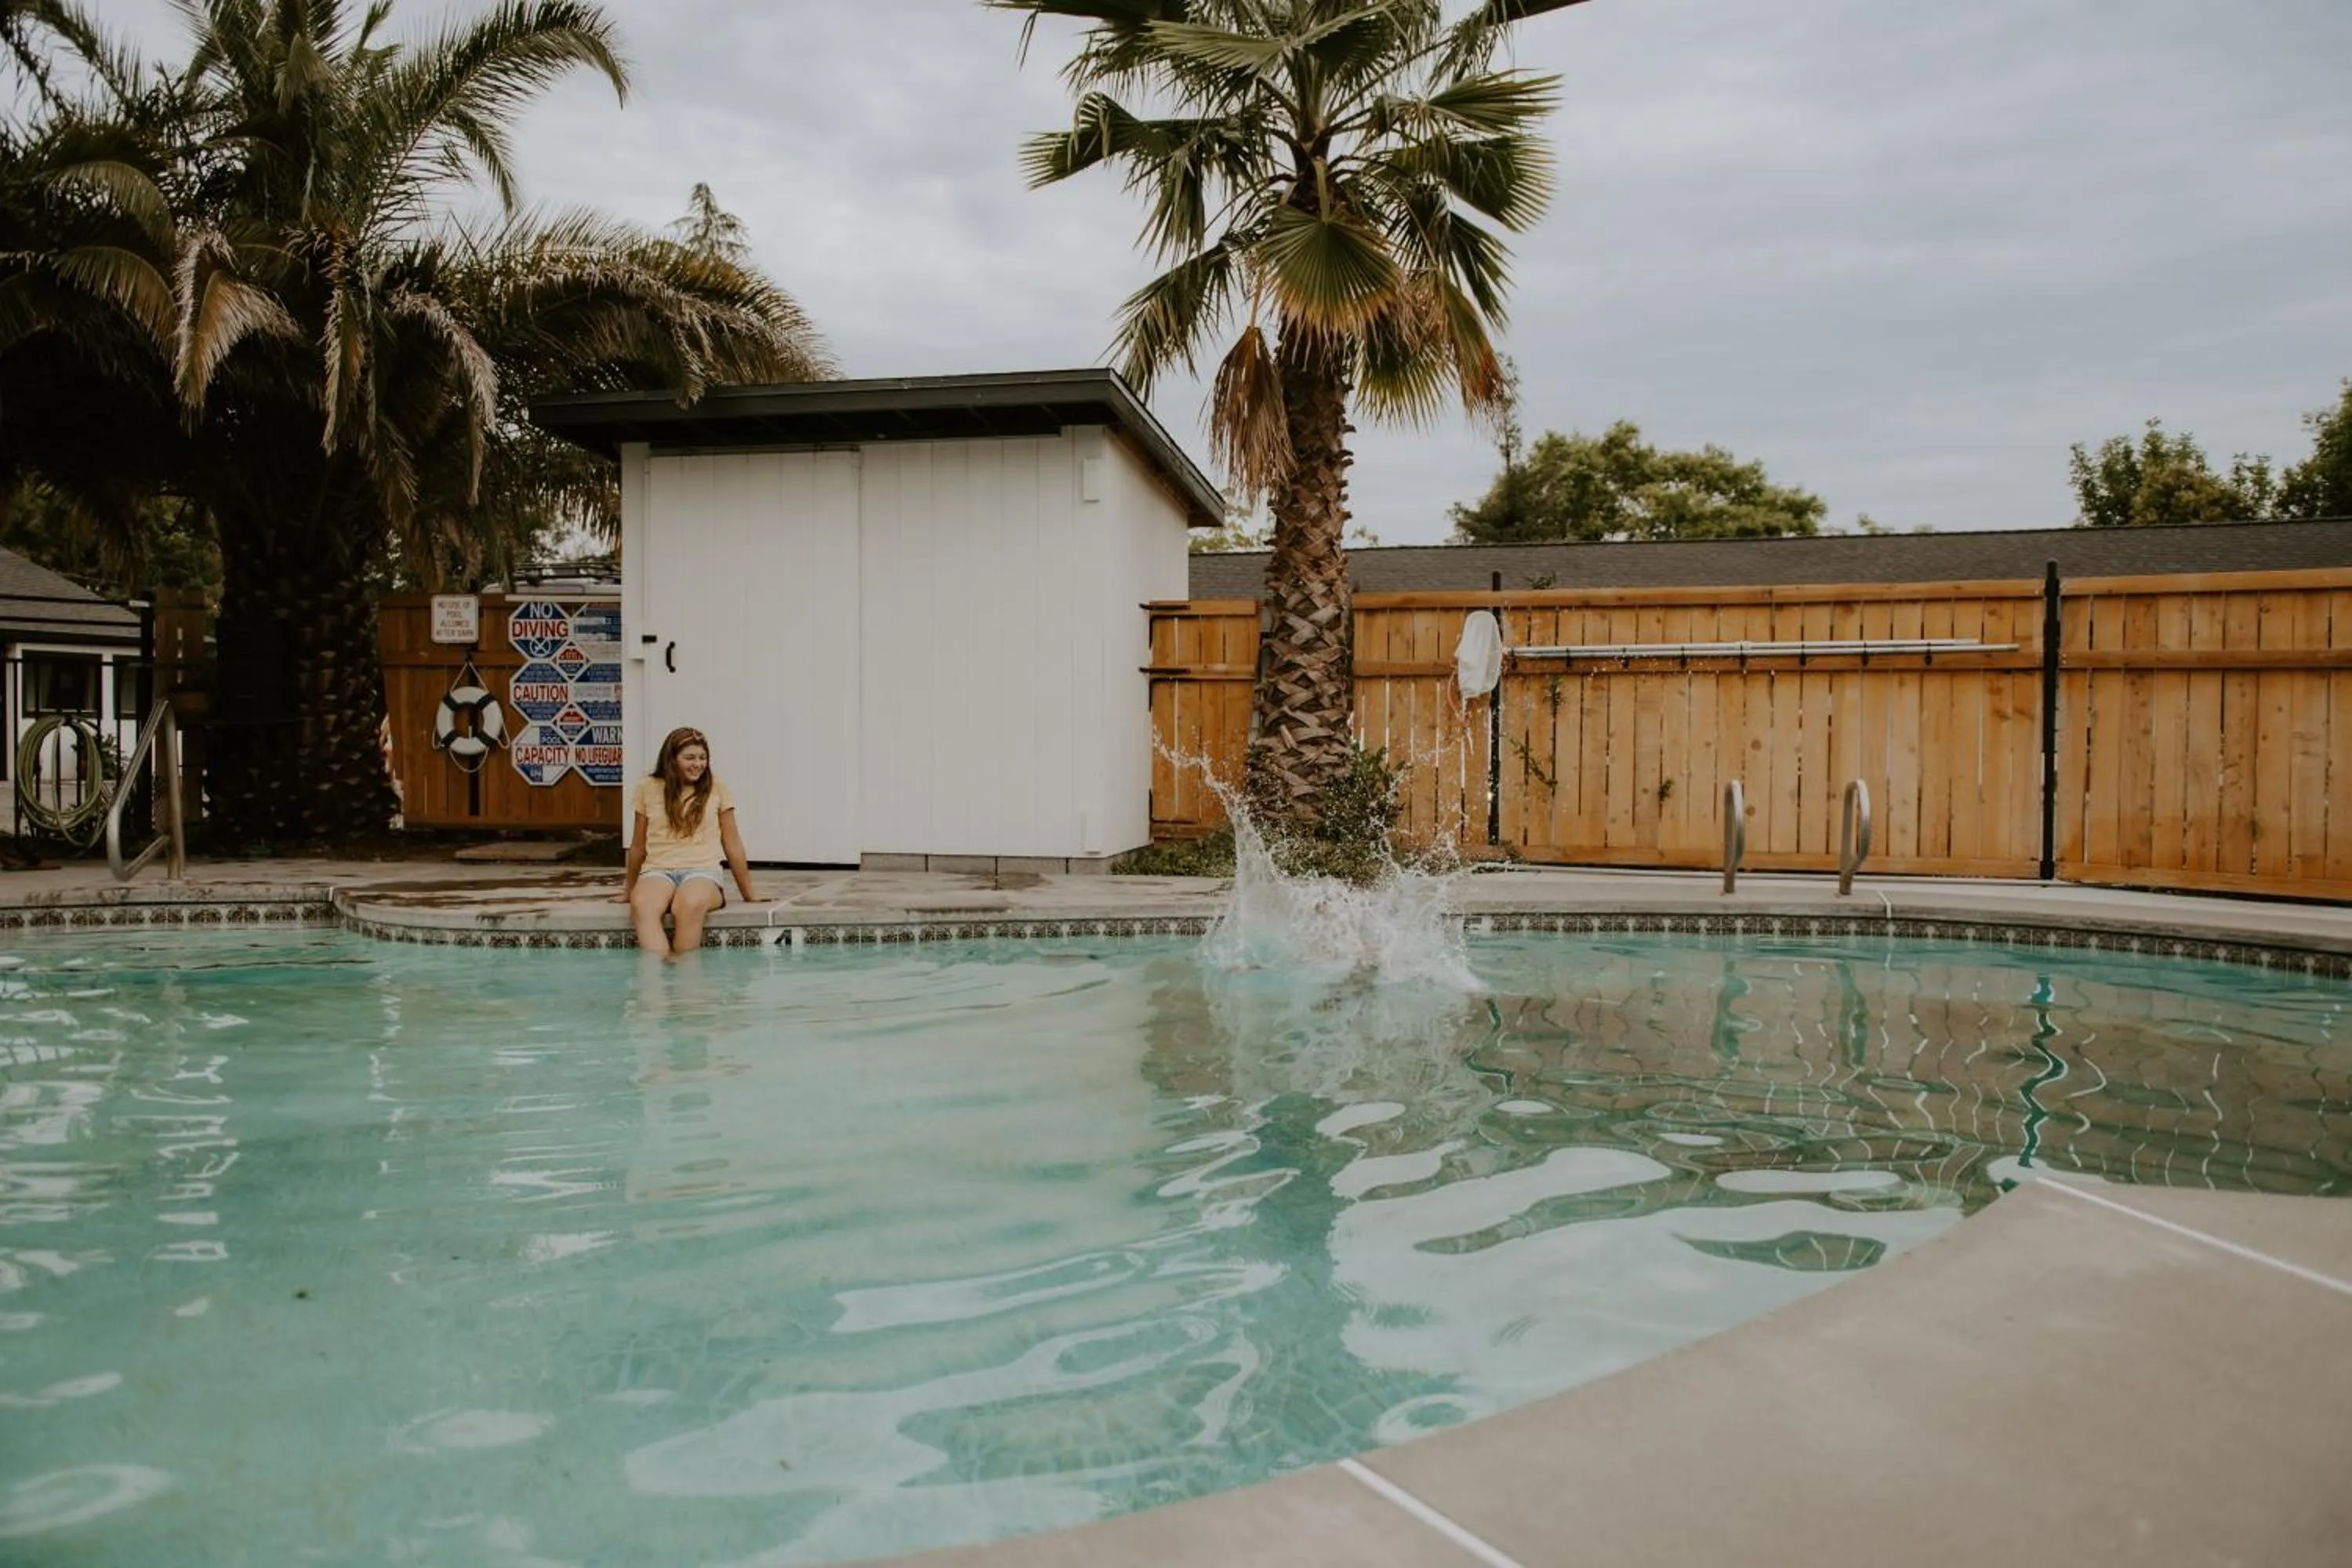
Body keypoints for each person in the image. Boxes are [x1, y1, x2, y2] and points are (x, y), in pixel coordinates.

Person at [615, 726, 758, 956]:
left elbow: (732, 843)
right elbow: (638, 846)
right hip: (658, 870)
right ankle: (657, 977)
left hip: (702, 872)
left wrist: (748, 893)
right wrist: (628, 891)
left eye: (703, 758)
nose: (698, 764)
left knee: (690, 904)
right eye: (689, 758)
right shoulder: (647, 788)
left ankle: (686, 980)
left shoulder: (717, 787)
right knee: (643, 906)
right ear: (671, 759)